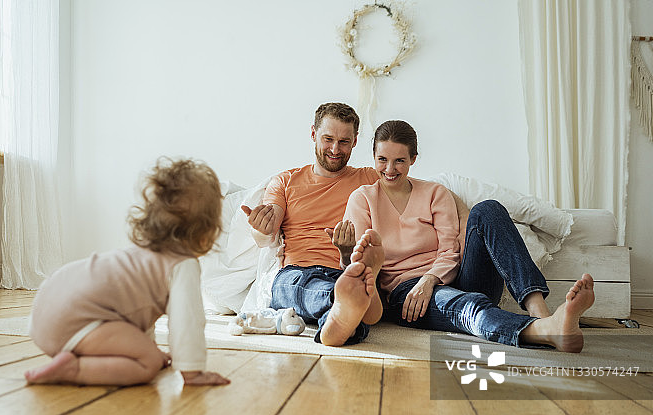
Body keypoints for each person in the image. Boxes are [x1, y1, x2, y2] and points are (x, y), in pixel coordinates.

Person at [338, 120, 594, 352]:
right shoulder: (362, 199)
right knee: (468, 306)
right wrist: (348, 255)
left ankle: (541, 313)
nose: (390, 169)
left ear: (414, 158)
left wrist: (430, 280)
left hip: (453, 279)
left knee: (488, 209)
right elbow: (364, 262)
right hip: (406, 295)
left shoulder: (435, 193)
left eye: (400, 161)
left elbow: (451, 251)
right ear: (373, 157)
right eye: (382, 159)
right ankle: (544, 331)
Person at [24, 157, 231, 386]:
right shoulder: (183, 265)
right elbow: (187, 321)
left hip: (45, 311)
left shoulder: (140, 255)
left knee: (147, 352)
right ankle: (74, 369)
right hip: (72, 323)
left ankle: (78, 356)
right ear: (207, 231)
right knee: (147, 363)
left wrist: (145, 346)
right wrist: (192, 371)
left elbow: (136, 314)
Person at [241, 102, 386, 347]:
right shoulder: (285, 181)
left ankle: (342, 317)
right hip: (296, 272)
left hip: (345, 271)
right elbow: (268, 229)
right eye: (328, 139)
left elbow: (417, 191)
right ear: (313, 134)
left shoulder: (370, 178)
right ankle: (345, 310)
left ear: (355, 141)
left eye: (343, 142)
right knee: (307, 287)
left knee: (349, 287)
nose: (334, 149)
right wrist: (262, 227)